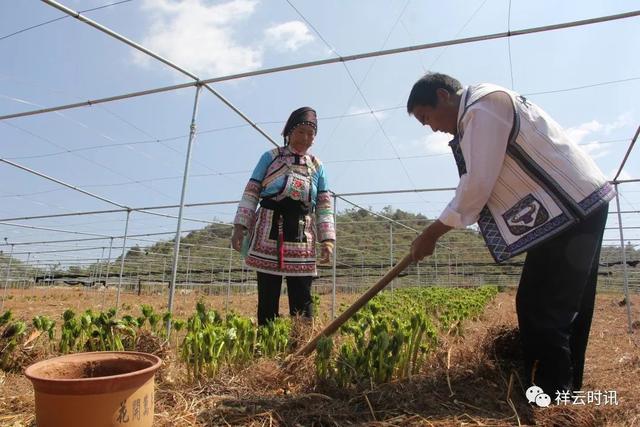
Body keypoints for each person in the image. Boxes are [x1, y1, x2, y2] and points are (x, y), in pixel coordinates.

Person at [406, 72, 614, 396]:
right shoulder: (481, 108)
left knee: (544, 308)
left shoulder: (484, 106)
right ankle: (562, 389)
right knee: (553, 305)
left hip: (570, 208)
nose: (432, 127)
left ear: (443, 95)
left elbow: (477, 184)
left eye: (426, 117)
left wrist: (433, 232)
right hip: (570, 208)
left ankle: (550, 397)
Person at [231, 107, 335, 326]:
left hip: (301, 234)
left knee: (302, 296)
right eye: (301, 132)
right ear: (289, 132)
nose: (306, 138)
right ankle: (267, 345)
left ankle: (300, 349)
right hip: (269, 228)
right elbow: (252, 191)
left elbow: (324, 204)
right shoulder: (270, 157)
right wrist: (240, 227)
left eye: (310, 134)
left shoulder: (317, 166)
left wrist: (327, 240)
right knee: (268, 295)